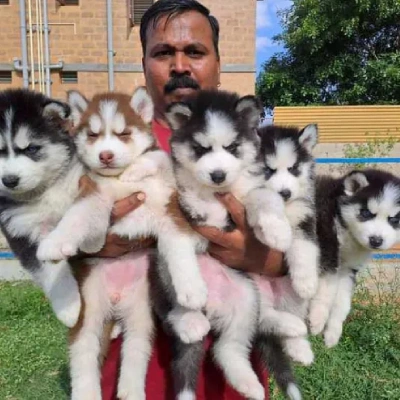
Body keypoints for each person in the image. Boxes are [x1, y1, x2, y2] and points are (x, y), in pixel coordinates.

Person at [93, 1, 286, 398]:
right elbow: (57, 247)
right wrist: (92, 242)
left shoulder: (259, 148)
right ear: (144, 62)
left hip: (230, 379)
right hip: (132, 377)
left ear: (218, 62)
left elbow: (304, 244)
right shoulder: (109, 148)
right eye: (163, 52)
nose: (179, 65)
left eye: (195, 52)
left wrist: (265, 258)